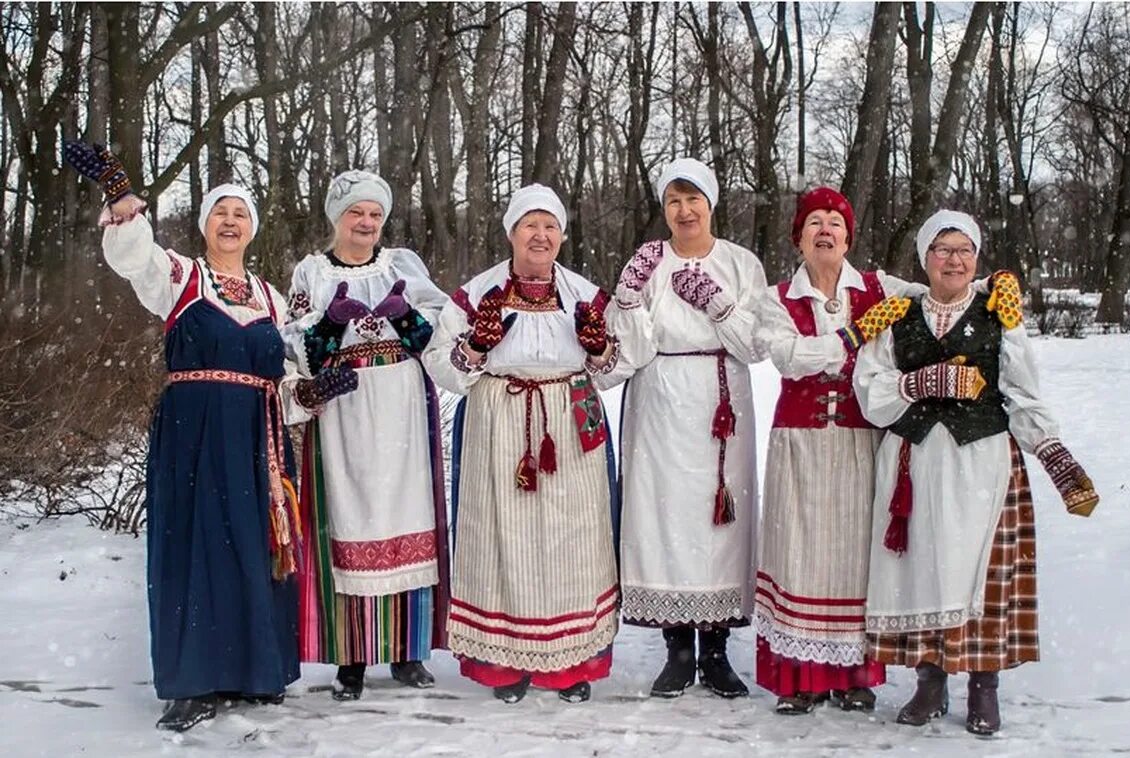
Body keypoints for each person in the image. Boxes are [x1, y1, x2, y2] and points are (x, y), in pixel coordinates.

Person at [65, 141, 309, 731]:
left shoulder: (273, 299)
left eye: (241, 214)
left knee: (254, 548)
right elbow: (134, 258)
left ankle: (255, 670)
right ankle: (191, 681)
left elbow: (288, 379)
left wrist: (313, 393)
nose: (231, 222)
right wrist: (123, 200)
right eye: (221, 212)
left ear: (252, 228)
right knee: (193, 546)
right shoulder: (181, 277)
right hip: (194, 432)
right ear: (205, 226)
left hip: (257, 435)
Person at [853, 210, 1099, 735]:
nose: (954, 260)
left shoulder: (998, 312)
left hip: (981, 461)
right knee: (921, 569)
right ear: (925, 258)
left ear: (977, 258)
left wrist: (1052, 452)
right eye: (942, 249)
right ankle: (930, 681)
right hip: (913, 461)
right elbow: (870, 391)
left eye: (964, 250)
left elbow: (1023, 392)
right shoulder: (896, 314)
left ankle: (983, 687)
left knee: (980, 576)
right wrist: (918, 384)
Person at [424, 184, 620, 704]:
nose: (540, 235)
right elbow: (439, 364)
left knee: (572, 540)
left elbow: (616, 366)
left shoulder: (583, 293)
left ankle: (571, 662)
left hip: (567, 418)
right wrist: (476, 345)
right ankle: (503, 661)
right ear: (511, 233)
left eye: (550, 226)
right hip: (501, 418)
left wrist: (599, 346)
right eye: (529, 225)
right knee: (500, 537)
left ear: (561, 236)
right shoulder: (476, 294)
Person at [753, 187, 939, 715]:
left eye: (836, 221)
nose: (826, 230)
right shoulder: (778, 298)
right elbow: (790, 358)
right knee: (801, 553)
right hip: (801, 443)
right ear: (800, 237)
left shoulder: (881, 287)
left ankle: (855, 676)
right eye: (815, 221)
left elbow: (942, 294)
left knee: (855, 557)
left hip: (862, 442)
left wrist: (994, 286)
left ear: (849, 236)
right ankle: (801, 677)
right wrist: (855, 338)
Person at [281, 170, 451, 700]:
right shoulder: (311, 272)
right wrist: (330, 324)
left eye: (375, 214)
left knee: (407, 514)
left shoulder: (400, 266)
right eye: (357, 213)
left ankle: (406, 649)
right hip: (345, 404)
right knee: (349, 519)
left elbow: (441, 331)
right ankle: (351, 656)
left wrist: (406, 320)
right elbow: (293, 344)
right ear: (338, 218)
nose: (367, 223)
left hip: (399, 398)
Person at [600, 158, 767, 699]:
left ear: (710, 204)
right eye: (673, 200)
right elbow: (630, 349)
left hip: (721, 397)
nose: (684, 210)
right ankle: (676, 649)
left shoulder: (740, 264)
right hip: (661, 395)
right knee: (664, 516)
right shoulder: (648, 262)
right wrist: (627, 299)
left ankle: (716, 651)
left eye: (693, 199)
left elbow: (756, 344)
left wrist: (718, 307)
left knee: (718, 520)